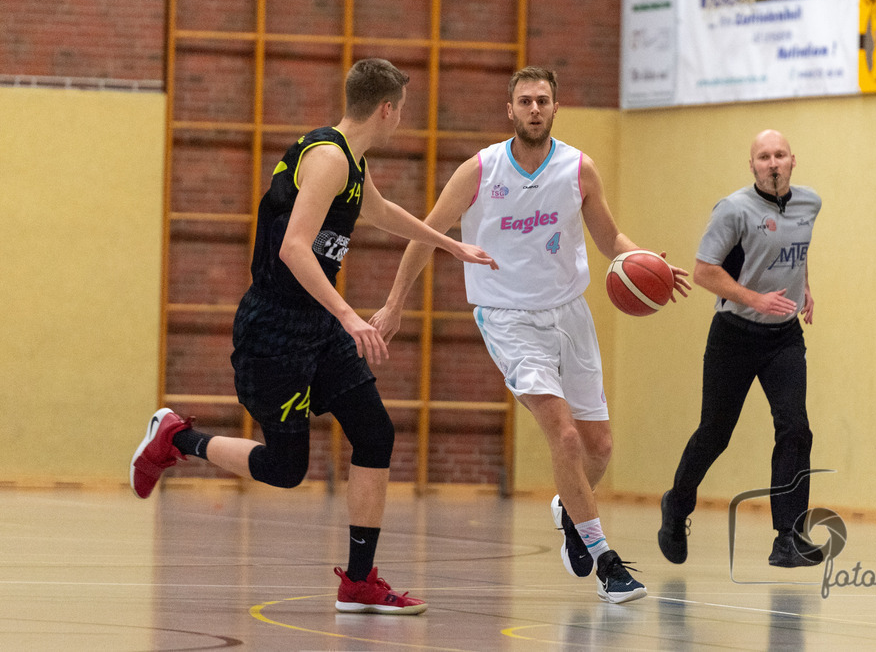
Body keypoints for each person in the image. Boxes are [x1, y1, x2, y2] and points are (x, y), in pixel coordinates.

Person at [130, 58, 497, 615]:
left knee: (374, 433)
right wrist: (350, 315)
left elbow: (380, 211)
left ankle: (359, 582)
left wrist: (450, 245)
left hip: (317, 326)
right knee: (286, 469)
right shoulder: (328, 159)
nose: (402, 118)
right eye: (402, 110)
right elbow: (293, 248)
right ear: (387, 109)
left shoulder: (352, 160)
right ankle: (177, 438)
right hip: (274, 329)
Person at [370, 66, 691, 604]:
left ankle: (570, 511)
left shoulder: (579, 169)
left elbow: (609, 237)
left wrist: (643, 260)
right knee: (564, 436)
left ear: (556, 108)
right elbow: (425, 236)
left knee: (599, 447)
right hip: (508, 317)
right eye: (525, 101)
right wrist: (394, 304)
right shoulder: (480, 170)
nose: (535, 109)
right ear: (510, 110)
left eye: (543, 100)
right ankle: (607, 565)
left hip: (570, 314)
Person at [658, 129, 823, 569]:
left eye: (780, 155)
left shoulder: (810, 203)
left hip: (784, 336)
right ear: (752, 166)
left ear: (793, 161)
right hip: (734, 334)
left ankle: (788, 537)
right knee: (715, 434)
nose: (773, 163)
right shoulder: (733, 210)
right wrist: (755, 299)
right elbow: (703, 272)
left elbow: (796, 248)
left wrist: (804, 286)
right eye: (764, 157)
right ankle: (676, 504)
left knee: (795, 427)